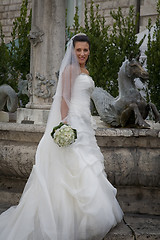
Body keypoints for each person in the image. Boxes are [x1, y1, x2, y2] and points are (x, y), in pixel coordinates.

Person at [0, 33, 123, 240]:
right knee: (73, 168)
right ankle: (67, 219)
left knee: (87, 166)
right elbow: (64, 98)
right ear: (73, 51)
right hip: (74, 123)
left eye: (85, 50)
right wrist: (65, 125)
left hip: (85, 123)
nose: (82, 53)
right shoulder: (70, 69)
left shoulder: (84, 70)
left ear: (89, 51)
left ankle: (83, 216)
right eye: (79, 50)